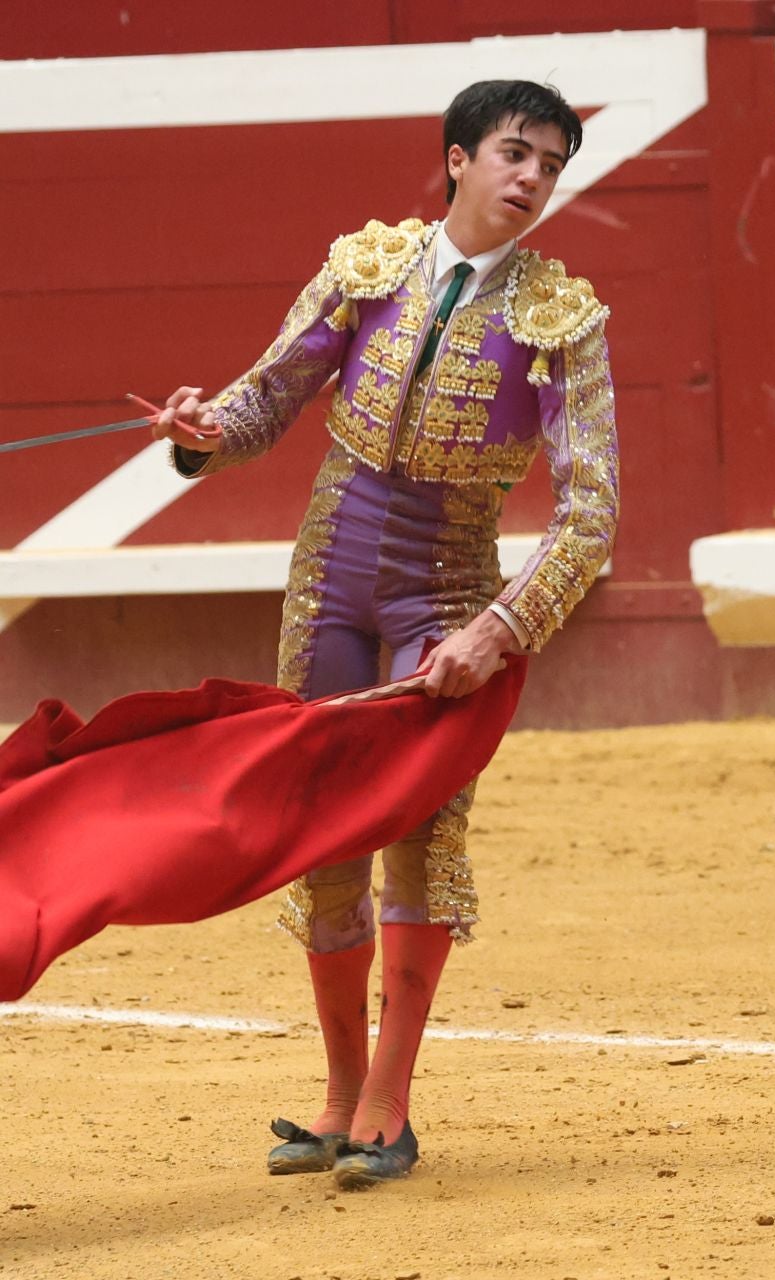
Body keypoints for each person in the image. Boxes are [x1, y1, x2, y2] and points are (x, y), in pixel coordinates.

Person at [150, 79, 620, 1189]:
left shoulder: (564, 319)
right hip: (332, 575)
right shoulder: (366, 268)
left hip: (448, 594)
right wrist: (200, 432)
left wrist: (499, 632)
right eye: (515, 153)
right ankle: (334, 1092)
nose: (533, 178)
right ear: (457, 158)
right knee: (321, 827)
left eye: (552, 165)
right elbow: (267, 399)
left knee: (422, 832)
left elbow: (592, 512)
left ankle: (389, 1105)